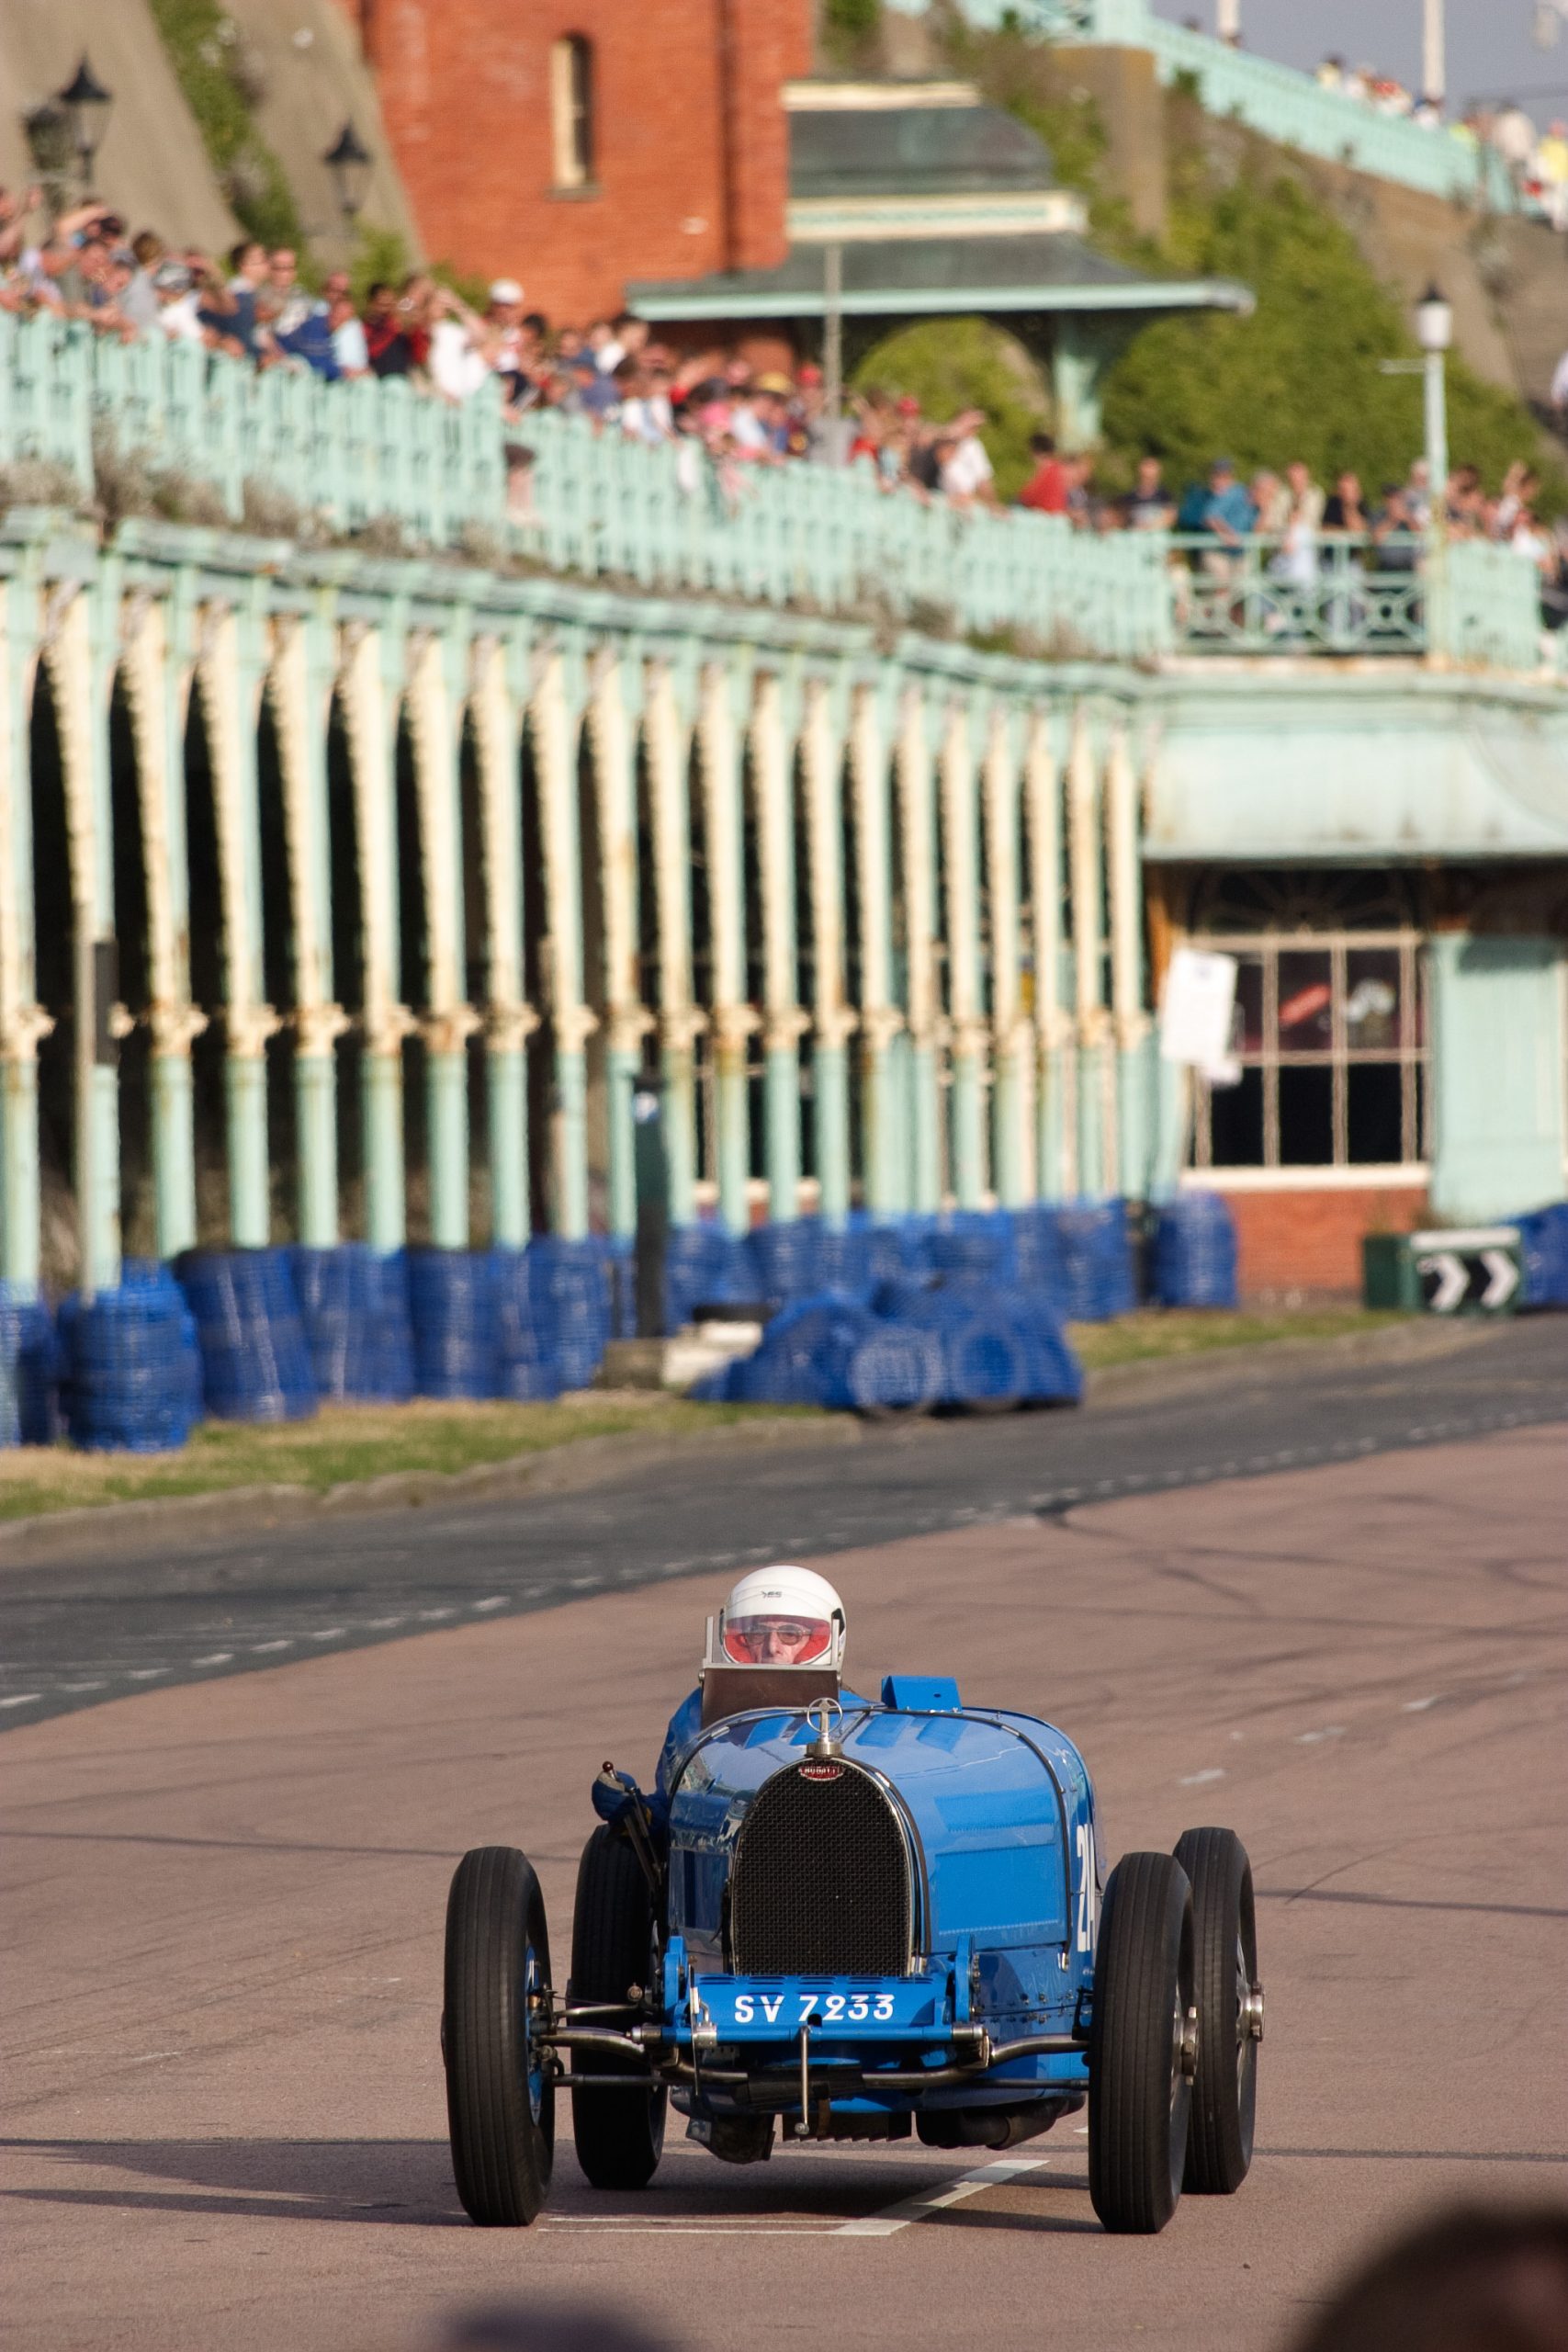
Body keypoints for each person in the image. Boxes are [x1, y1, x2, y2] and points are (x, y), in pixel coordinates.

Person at [652, 1566, 857, 1813]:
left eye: (791, 1634)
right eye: (755, 1633)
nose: (772, 1647)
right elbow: (666, 1815)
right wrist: (635, 1807)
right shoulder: (697, 1711)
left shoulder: (855, 1717)